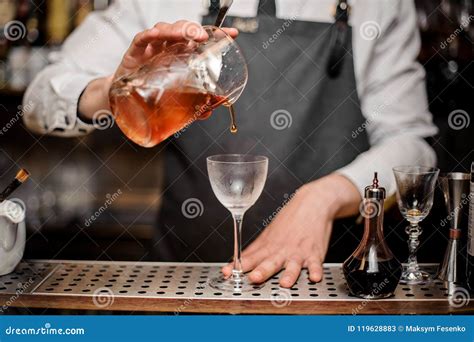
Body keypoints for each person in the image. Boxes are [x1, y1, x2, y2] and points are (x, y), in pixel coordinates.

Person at [23, 0, 438, 288]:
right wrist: (117, 89)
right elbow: (39, 99)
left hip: (327, 285)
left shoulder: (377, 7)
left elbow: (412, 144)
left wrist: (325, 197)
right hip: (185, 283)